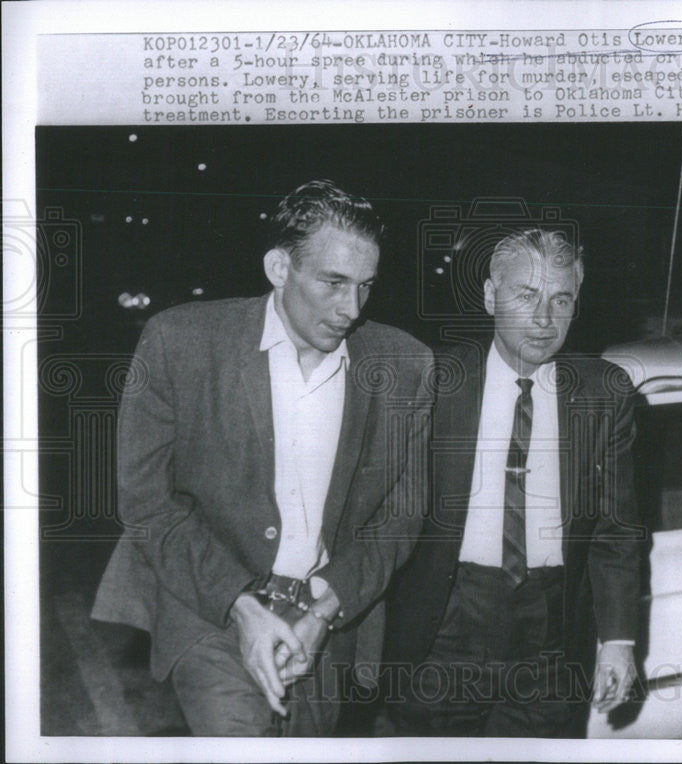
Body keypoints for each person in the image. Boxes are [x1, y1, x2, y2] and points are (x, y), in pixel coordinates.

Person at [92, 180, 433, 736]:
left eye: (366, 286)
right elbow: (148, 505)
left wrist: (323, 614)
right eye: (333, 283)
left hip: (327, 616)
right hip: (207, 605)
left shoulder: (406, 365)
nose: (352, 308)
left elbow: (399, 520)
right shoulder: (180, 341)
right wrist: (244, 609)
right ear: (279, 267)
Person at [382, 228, 642, 737]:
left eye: (561, 299)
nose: (545, 319)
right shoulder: (434, 378)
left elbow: (617, 528)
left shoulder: (605, 392)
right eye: (527, 296)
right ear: (489, 295)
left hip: (550, 631)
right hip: (445, 623)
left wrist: (618, 640)